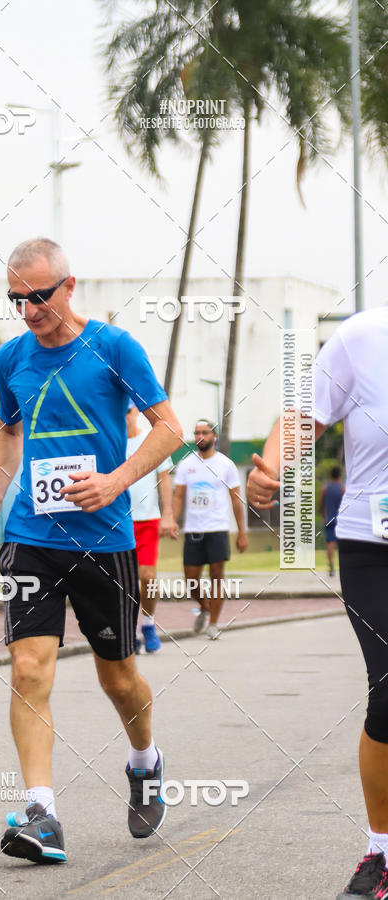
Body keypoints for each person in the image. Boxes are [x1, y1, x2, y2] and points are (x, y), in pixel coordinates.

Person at [0, 237, 183, 865]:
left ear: (68, 285)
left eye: (37, 296)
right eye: (16, 299)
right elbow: (9, 430)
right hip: (32, 538)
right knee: (29, 667)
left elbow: (168, 426)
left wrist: (115, 481)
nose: (28, 311)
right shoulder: (12, 358)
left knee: (118, 677)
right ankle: (43, 814)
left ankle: (144, 761)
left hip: (104, 540)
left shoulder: (114, 348)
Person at [246, 307, 388, 900]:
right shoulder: (360, 337)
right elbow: (303, 417)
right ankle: (382, 852)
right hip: (372, 544)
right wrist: (274, 463)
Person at [172, 420, 248, 639]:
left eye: (205, 432)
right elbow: (178, 496)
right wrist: (172, 520)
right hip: (193, 530)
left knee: (216, 575)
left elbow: (236, 500)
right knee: (191, 580)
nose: (200, 436)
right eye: (196, 432)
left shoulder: (226, 465)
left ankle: (213, 623)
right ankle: (204, 606)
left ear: (214, 436)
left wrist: (242, 532)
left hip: (217, 529)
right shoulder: (187, 464)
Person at [125, 401, 178, 654]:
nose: (124, 416)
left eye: (127, 411)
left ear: (135, 412)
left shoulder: (151, 439)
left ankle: (148, 623)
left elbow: (164, 479)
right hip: (118, 521)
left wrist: (168, 514)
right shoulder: (110, 441)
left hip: (147, 519)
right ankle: (129, 630)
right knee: (123, 581)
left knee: (147, 577)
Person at [320, 466, 344, 576]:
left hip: (329, 518)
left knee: (330, 543)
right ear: (339, 475)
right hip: (341, 519)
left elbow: (321, 503)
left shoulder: (326, 488)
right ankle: (343, 566)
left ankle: (331, 566)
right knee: (343, 544)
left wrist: (323, 514)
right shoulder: (343, 488)